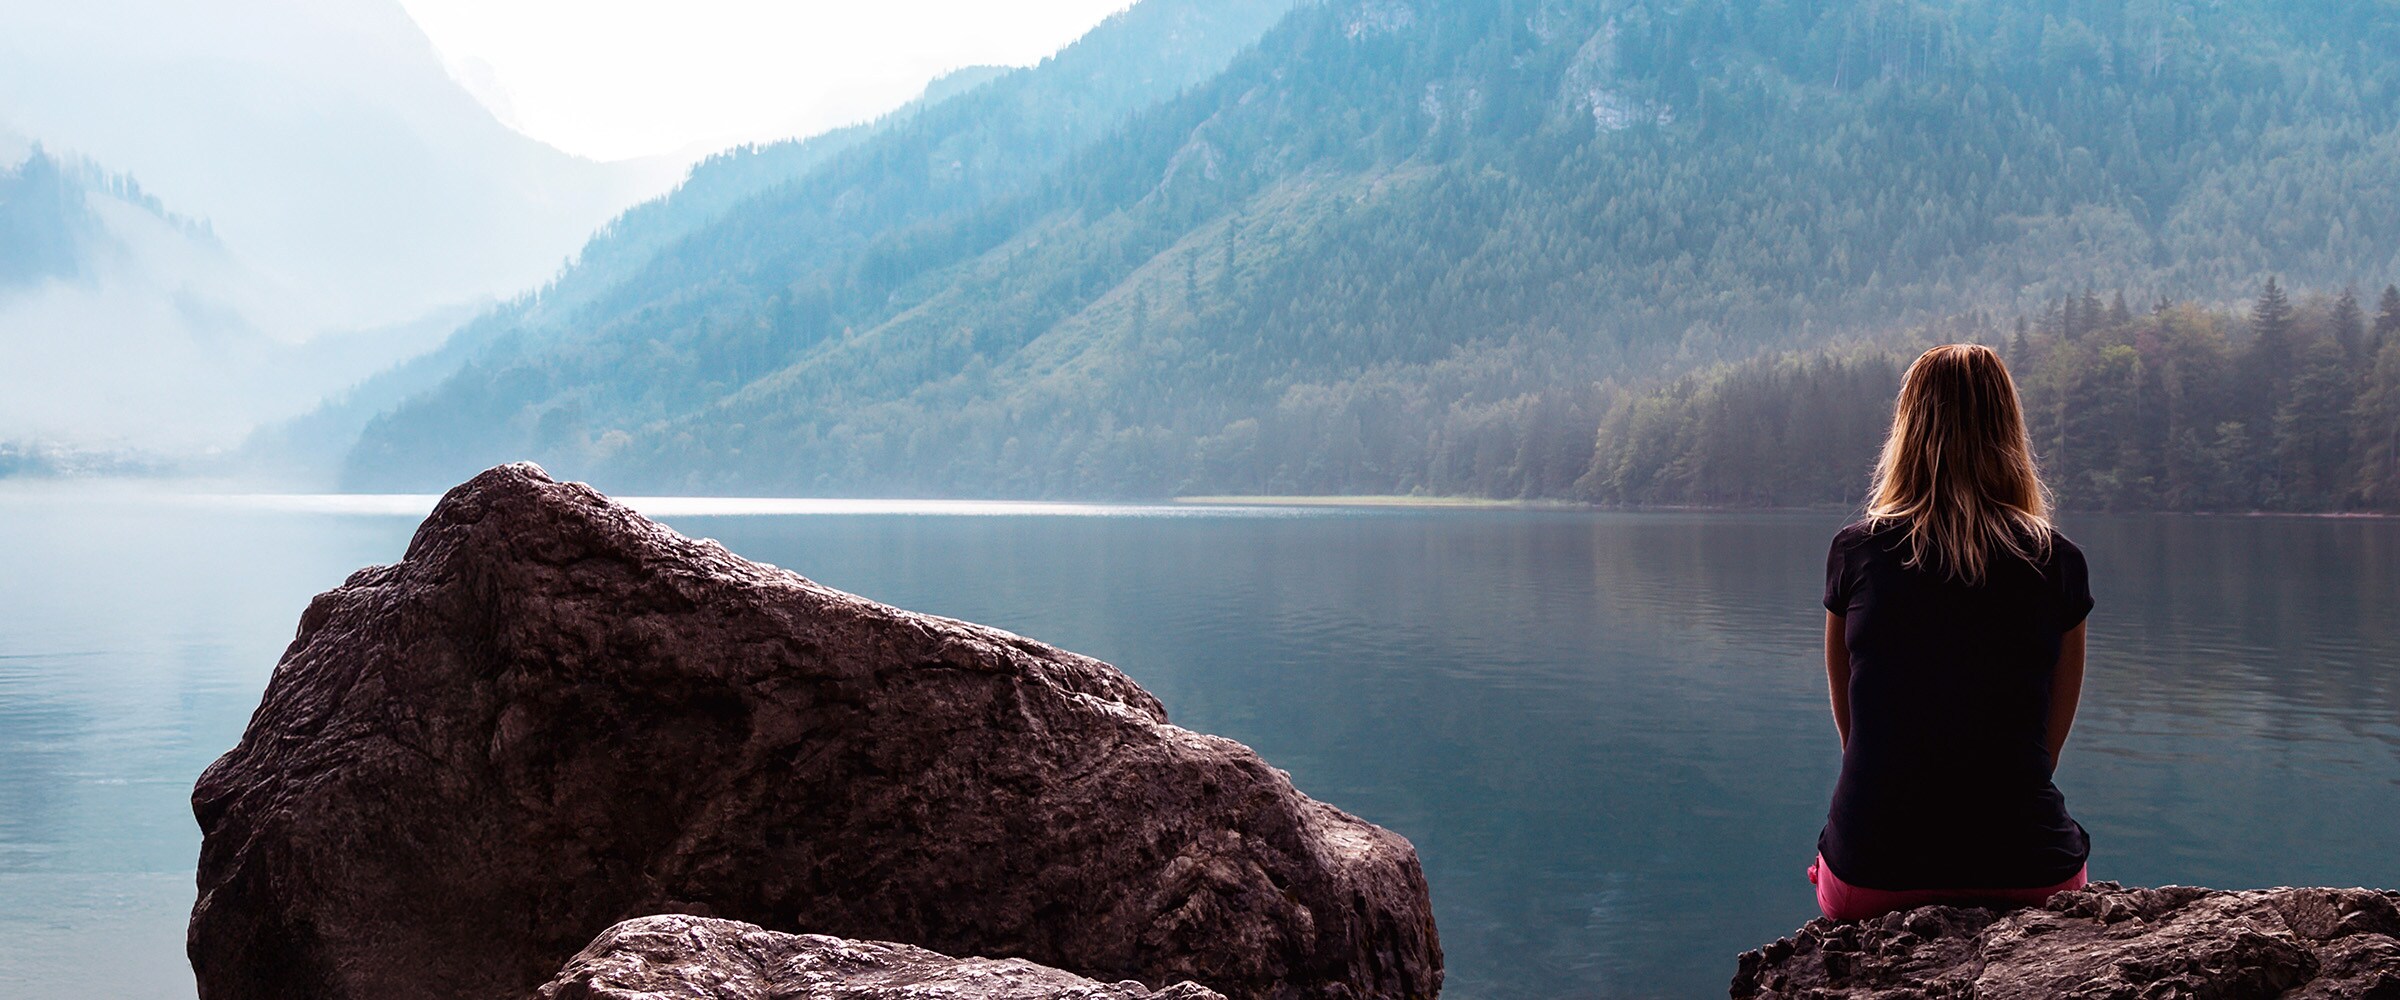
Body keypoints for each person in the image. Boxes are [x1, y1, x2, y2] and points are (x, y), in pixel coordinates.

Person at [1809, 343, 2093, 922]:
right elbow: (2048, 747)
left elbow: (1852, 735)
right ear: (2008, 430)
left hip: (1871, 874)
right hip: (2031, 870)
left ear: (1907, 430)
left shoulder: (1856, 554)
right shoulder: (2057, 563)